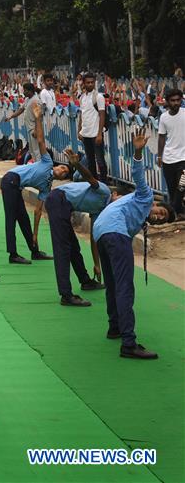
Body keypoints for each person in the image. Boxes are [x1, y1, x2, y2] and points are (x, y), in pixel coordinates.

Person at [92, 129, 175, 360]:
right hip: (112, 232)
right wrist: (138, 152)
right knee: (125, 287)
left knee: (112, 283)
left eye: (162, 220)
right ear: (157, 204)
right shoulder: (146, 197)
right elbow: (138, 175)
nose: (158, 217)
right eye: (161, 212)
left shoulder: (137, 217)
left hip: (102, 231)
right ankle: (129, 343)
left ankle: (115, 326)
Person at [0, 102, 70, 264]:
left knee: (24, 218)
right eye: (62, 167)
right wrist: (38, 118)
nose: (62, 170)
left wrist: (36, 233)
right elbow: (40, 141)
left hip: (16, 186)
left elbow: (38, 211)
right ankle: (13, 254)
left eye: (65, 173)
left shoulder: (47, 187)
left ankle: (34, 250)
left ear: (61, 178)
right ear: (57, 165)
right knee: (11, 218)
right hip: (10, 179)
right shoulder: (47, 161)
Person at [45, 150, 109, 307]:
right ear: (115, 194)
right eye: (119, 197)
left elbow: (94, 236)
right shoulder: (105, 192)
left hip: (64, 206)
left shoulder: (102, 210)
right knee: (63, 249)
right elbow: (90, 178)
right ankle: (66, 295)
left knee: (73, 247)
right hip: (58, 199)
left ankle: (86, 281)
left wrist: (97, 265)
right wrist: (77, 164)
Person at [157, 89, 185, 217]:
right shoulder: (164, 117)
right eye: (173, 101)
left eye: (178, 100)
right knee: (173, 189)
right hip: (168, 159)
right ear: (168, 102)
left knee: (182, 187)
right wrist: (159, 156)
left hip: (183, 159)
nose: (176, 103)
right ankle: (178, 212)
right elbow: (162, 137)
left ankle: (172, 212)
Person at [77, 73, 107, 181]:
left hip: (96, 134)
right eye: (88, 82)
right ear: (84, 84)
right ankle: (94, 182)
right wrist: (79, 130)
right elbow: (81, 115)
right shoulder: (82, 98)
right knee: (90, 161)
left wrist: (99, 134)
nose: (90, 84)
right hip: (86, 134)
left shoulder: (98, 97)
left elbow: (102, 114)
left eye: (92, 82)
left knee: (100, 161)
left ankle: (104, 182)